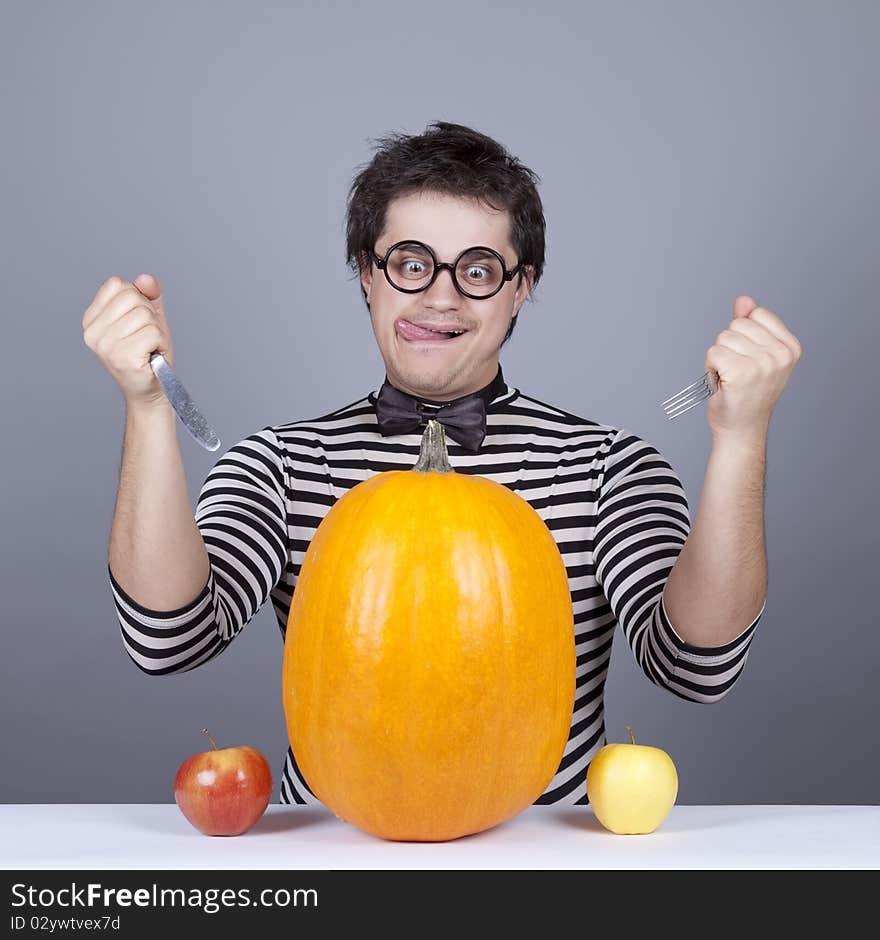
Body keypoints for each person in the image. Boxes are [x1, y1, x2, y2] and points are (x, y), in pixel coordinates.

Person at [83, 121, 801, 806]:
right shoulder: (281, 465)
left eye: (480, 269)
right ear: (367, 273)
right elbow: (166, 641)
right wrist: (148, 410)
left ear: (522, 288)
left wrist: (742, 438)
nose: (441, 295)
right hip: (335, 855)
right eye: (411, 262)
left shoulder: (609, 467)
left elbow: (696, 669)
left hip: (546, 863)